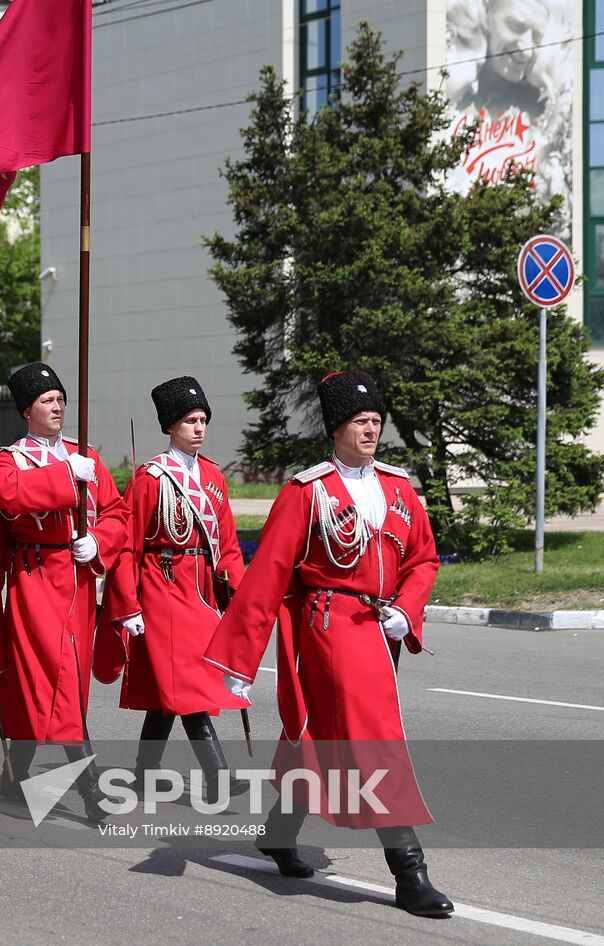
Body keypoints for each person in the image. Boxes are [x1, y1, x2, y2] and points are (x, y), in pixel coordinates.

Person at [204, 371, 452, 918]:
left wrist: (407, 612)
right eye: (360, 421)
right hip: (331, 627)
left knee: (318, 734)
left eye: (376, 421)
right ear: (336, 428)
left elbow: (424, 559)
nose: (371, 429)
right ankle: (410, 871)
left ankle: (278, 831)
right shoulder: (307, 491)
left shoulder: (397, 487)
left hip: (382, 628)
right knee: (373, 738)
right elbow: (268, 574)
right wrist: (241, 658)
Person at [0, 362, 129, 821]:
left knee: (64, 683)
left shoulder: (85, 456)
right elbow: (8, 496)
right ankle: (90, 792)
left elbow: (118, 514)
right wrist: (67, 477)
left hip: (79, 580)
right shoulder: (10, 459)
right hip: (34, 580)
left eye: (61, 399)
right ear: (27, 410)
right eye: (48, 400)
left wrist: (99, 540)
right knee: (54, 682)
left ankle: (13, 775)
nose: (58, 406)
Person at [101, 378, 250, 802]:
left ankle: (144, 771)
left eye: (202, 420)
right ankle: (218, 774)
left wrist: (238, 596)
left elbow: (228, 543)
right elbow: (128, 545)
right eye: (189, 421)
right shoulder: (151, 478)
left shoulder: (213, 476)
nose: (199, 428)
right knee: (185, 683)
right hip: (162, 587)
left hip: (200, 588)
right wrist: (128, 603)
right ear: (171, 427)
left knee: (170, 692)